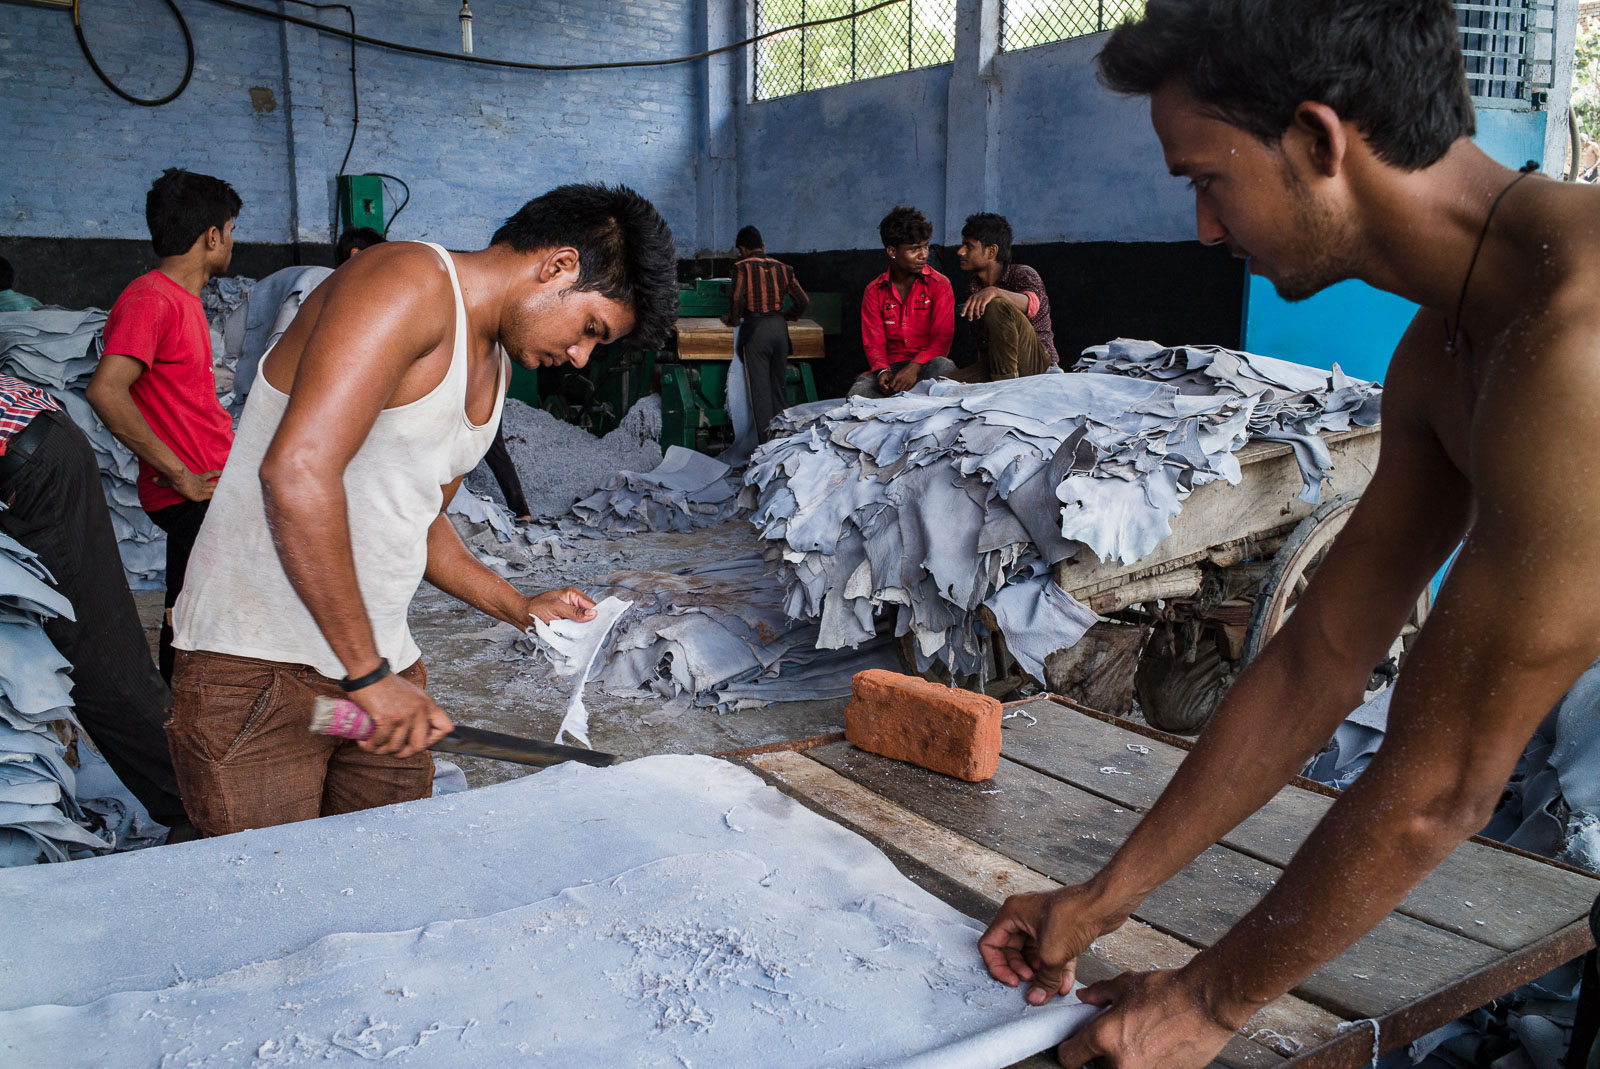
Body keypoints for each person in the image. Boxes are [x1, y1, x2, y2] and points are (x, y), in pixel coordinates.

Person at [977, 4, 1600, 1067]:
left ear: (1317, 141)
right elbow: (1319, 654)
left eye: (1205, 180)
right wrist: (1103, 896)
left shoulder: (1577, 342)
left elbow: (1443, 780)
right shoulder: (1445, 349)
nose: (1203, 227)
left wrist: (1204, 1002)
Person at [167, 183, 677, 836]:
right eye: (589, 329)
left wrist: (517, 606)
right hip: (261, 672)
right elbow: (296, 472)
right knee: (276, 889)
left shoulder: (495, 368)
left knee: (386, 880)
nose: (580, 357)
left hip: (379, 678)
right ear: (558, 266)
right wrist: (368, 674)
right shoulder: (407, 282)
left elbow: (419, 520)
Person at [0, 374, 192, 835]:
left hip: (29, 460)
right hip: (30, 439)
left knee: (95, 652)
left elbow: (106, 389)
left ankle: (198, 807)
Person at [86, 169, 240, 684]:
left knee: (192, 612)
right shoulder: (151, 299)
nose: (232, 242)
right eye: (231, 231)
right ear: (211, 236)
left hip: (208, 486)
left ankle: (179, 714)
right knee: (197, 622)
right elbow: (106, 391)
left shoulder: (182, 300)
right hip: (191, 493)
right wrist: (180, 476)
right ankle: (184, 717)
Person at [849, 206, 956, 398]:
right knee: (858, 394)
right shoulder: (874, 291)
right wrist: (882, 371)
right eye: (914, 249)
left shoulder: (940, 284)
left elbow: (941, 341)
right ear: (892, 251)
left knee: (944, 367)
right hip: (892, 371)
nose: (923, 255)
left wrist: (914, 367)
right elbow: (874, 343)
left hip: (926, 367)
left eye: (925, 246)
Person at [723, 224, 810, 442]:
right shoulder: (784, 268)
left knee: (760, 393)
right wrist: (788, 315)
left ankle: (765, 448)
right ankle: (783, 442)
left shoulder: (741, 266)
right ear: (762, 246)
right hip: (780, 329)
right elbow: (803, 300)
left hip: (756, 329)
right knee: (779, 388)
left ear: (742, 249)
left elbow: (737, 298)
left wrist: (733, 319)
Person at [952, 213, 1058, 381]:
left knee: (997, 305)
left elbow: (1031, 304)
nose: (960, 252)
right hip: (996, 364)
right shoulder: (974, 287)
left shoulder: (1023, 274)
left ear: (992, 251)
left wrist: (996, 292)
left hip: (1037, 365)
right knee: (940, 385)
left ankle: (1005, 384)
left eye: (969, 246)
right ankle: (1002, 379)